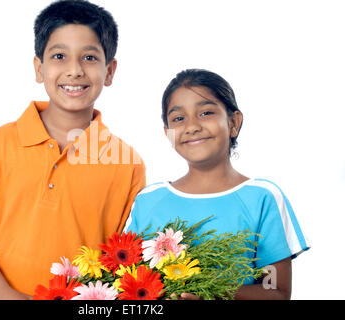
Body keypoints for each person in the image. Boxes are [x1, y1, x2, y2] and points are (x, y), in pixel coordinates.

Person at [0, 0, 145, 300]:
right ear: (39, 68)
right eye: (59, 56)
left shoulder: (128, 164)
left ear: (109, 71)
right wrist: (1, 293)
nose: (74, 70)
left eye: (90, 58)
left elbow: (125, 258)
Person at [124, 69, 310, 300]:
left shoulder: (262, 197)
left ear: (234, 122)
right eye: (179, 119)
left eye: (206, 113)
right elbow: (125, 278)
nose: (192, 126)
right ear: (168, 133)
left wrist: (211, 295)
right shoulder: (148, 200)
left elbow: (276, 291)